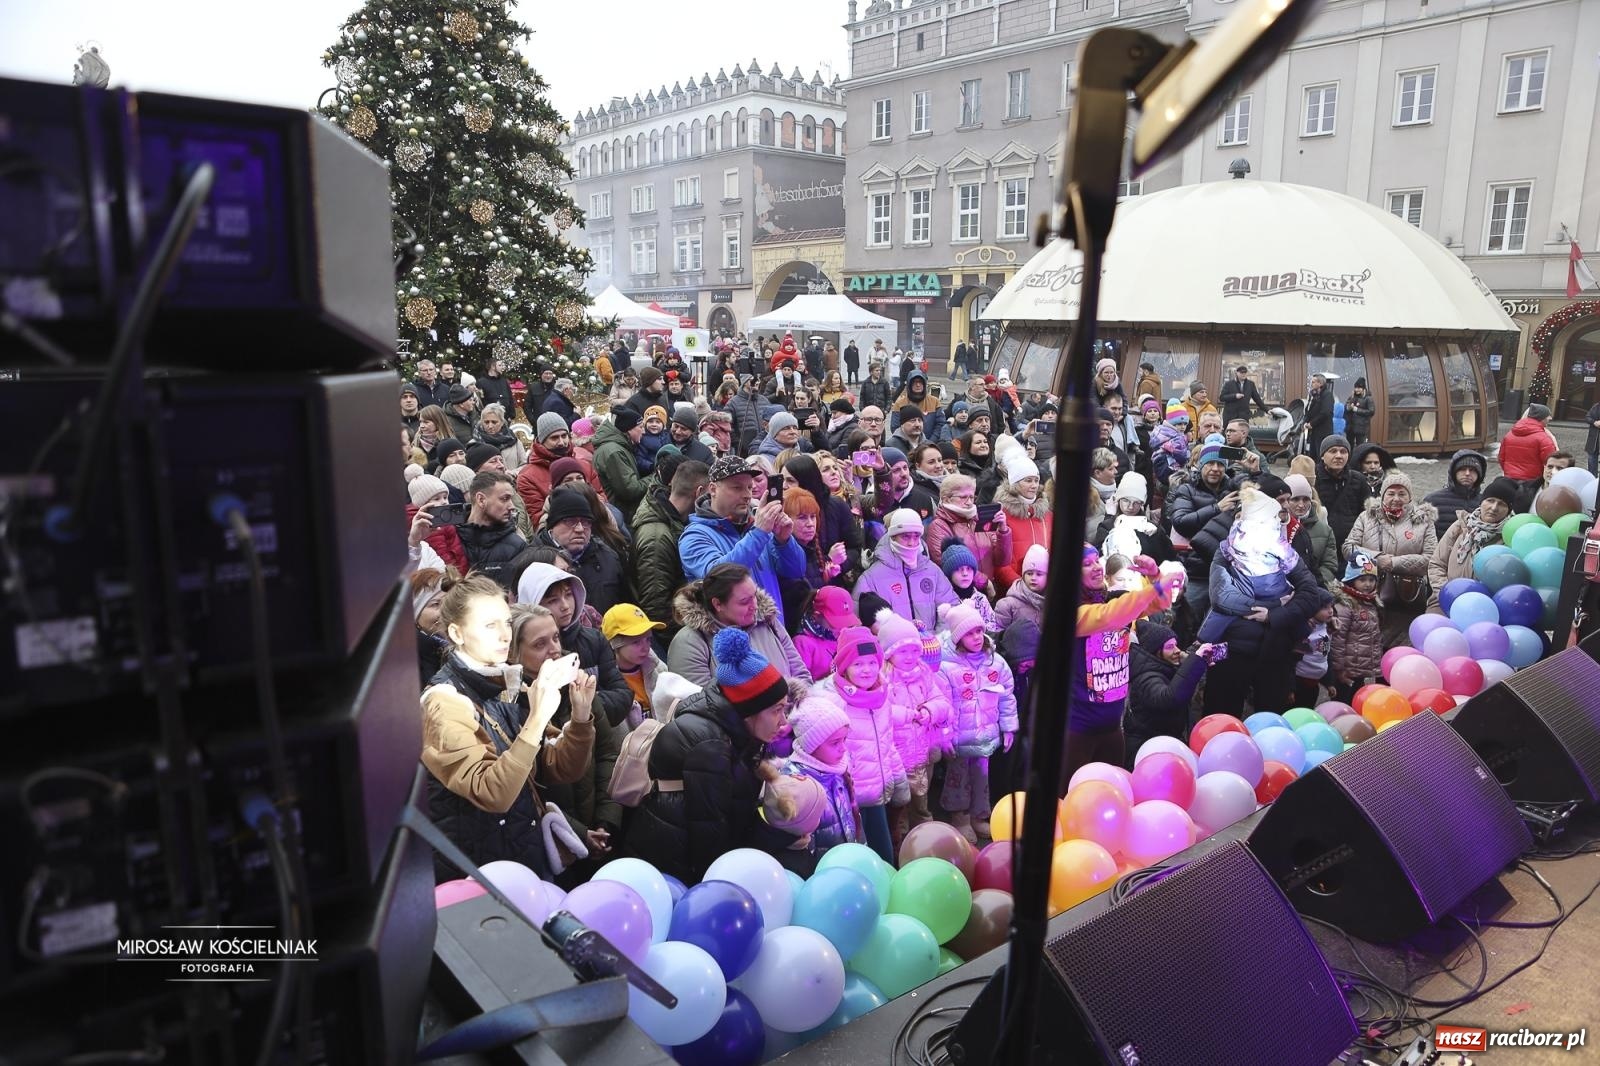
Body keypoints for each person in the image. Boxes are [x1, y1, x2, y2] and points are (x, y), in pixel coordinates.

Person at [420, 574, 597, 881]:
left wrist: (581, 719)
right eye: (490, 626)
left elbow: (560, 769)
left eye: (506, 623)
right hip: (476, 872)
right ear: (456, 633)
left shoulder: (506, 684)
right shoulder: (444, 702)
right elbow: (492, 793)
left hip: (519, 857)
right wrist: (539, 717)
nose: (505, 636)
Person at [623, 627, 799, 884]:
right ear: (749, 710)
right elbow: (711, 838)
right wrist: (780, 840)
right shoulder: (710, 746)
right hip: (673, 872)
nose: (784, 721)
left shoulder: (736, 731)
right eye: (776, 710)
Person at [509, 604, 622, 882]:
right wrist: (579, 833)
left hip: (599, 824)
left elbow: (608, 753)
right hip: (552, 843)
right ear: (514, 653)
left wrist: (606, 819)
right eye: (540, 644)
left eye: (556, 638)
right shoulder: (510, 706)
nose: (554, 649)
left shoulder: (579, 684)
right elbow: (530, 788)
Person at [1067, 549, 1181, 781]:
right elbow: (1110, 616)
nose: (1097, 566)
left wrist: (1155, 576)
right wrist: (1154, 587)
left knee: (1115, 788)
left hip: (1113, 724)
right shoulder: (1071, 612)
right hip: (1077, 727)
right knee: (1070, 796)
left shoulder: (1114, 599)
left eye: (1097, 560)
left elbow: (1161, 603)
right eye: (1086, 564)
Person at [812, 626, 905, 862]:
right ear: (844, 667)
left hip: (876, 794)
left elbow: (886, 741)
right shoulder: (830, 701)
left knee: (884, 857)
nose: (867, 670)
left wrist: (899, 779)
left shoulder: (882, 695)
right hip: (848, 799)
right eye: (858, 664)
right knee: (857, 861)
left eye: (872, 662)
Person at [680, 455, 807, 627]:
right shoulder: (694, 536)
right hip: (731, 638)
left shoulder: (756, 525)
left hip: (773, 631)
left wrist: (784, 540)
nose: (747, 495)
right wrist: (759, 533)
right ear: (713, 489)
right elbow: (718, 577)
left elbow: (796, 570)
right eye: (737, 488)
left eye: (749, 487)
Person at [515, 563, 634, 727]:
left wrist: (584, 702)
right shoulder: (516, 665)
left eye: (568, 595)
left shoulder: (594, 640)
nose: (565, 605)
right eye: (553, 600)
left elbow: (623, 694)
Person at [938, 602, 1017, 844]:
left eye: (979, 631)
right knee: (958, 777)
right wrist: (945, 735)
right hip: (960, 737)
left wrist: (1009, 727)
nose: (976, 637)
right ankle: (959, 817)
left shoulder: (996, 662)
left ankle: (979, 815)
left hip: (986, 736)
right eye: (969, 633)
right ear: (957, 636)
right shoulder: (946, 666)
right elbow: (942, 703)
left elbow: (1006, 695)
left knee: (982, 776)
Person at [668, 562, 811, 689]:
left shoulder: (768, 621)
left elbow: (800, 674)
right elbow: (699, 706)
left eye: (754, 595)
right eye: (744, 601)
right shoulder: (689, 642)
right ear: (717, 604)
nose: (754, 606)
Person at [1344, 470, 1437, 648]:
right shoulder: (1366, 517)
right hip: (1368, 591)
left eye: (1402, 493)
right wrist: (1377, 558)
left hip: (1407, 596)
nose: (1396, 498)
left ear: (1410, 497)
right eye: (1391, 493)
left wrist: (1394, 563)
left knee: (1403, 644)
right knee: (1366, 643)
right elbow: (1349, 548)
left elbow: (1431, 558)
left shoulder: (1424, 521)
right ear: (1382, 494)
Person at [631, 460, 708, 639]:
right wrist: (694, 634)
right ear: (699, 493)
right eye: (709, 495)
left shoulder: (675, 521)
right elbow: (656, 609)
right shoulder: (656, 537)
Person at [779, 698, 863, 859]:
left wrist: (860, 851)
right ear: (812, 745)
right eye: (834, 743)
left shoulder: (838, 770)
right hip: (820, 873)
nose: (843, 748)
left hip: (848, 861)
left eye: (844, 739)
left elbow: (853, 818)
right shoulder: (795, 784)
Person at [854, 508, 960, 631]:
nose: (911, 543)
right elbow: (859, 625)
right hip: (894, 647)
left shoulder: (933, 571)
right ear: (893, 537)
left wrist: (940, 640)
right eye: (905, 536)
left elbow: (951, 609)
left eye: (916, 537)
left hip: (934, 646)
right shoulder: (870, 578)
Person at [1123, 621, 1216, 760]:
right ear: (1155, 651)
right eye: (1170, 647)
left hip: (1164, 743)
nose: (1177, 650)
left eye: (1176, 645)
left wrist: (1193, 663)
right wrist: (1194, 663)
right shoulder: (1145, 677)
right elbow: (1169, 699)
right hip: (1147, 751)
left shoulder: (1165, 667)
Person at [1427, 477, 1517, 613]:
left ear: (1509, 510)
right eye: (1490, 500)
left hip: (1485, 606)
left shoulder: (1509, 537)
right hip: (1445, 599)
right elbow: (1437, 564)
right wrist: (1447, 592)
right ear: (1482, 502)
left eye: (1502, 504)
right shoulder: (1460, 526)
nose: (1494, 508)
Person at [538, 488, 629, 617]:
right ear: (553, 524)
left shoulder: (609, 557)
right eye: (570, 521)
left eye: (586, 522)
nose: (580, 529)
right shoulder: (534, 563)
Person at [1328, 552, 1383, 705]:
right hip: (1347, 670)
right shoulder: (1346, 605)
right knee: (1342, 703)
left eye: (1372, 579)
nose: (1368, 584)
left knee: (1357, 703)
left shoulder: (1371, 603)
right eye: (1362, 579)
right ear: (1352, 581)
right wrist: (1339, 669)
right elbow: (1338, 640)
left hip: (1361, 670)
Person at [457, 471, 526, 589]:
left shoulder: (517, 546)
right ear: (481, 500)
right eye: (505, 499)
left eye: (511, 499)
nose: (512, 506)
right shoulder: (452, 539)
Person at [591, 408, 651, 516]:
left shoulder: (620, 447)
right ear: (629, 429)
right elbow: (630, 490)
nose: (644, 431)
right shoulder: (614, 452)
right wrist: (656, 476)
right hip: (621, 514)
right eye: (641, 427)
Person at [793, 585, 859, 680]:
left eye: (847, 623)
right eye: (836, 623)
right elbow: (800, 684)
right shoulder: (802, 643)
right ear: (816, 616)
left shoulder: (845, 638)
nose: (841, 629)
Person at [1286, 474, 1341, 589]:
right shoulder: (1275, 528)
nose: (1301, 505)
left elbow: (1329, 565)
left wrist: (1313, 583)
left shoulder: (1325, 530)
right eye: (1295, 499)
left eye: (1306, 499)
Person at [1423, 450, 1488, 539]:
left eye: (1473, 470)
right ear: (1453, 472)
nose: (1467, 473)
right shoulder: (1432, 501)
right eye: (1462, 469)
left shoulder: (1486, 502)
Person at [1314, 434, 1365, 547]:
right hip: (1321, 543)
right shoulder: (1313, 478)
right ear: (1322, 455)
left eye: (1343, 451)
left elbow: (1366, 514)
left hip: (1351, 543)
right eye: (1333, 451)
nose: (1339, 456)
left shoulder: (1359, 479)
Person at [941, 539, 1002, 634]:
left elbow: (993, 625)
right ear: (949, 574)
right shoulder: (945, 602)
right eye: (958, 569)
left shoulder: (980, 598)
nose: (965, 574)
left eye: (969, 569)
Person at [411, 566, 457, 685]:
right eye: (435, 604)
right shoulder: (407, 659)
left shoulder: (458, 648)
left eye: (448, 603)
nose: (444, 611)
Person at [1498, 403, 1558, 483]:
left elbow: (1501, 458)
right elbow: (1551, 461)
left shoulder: (1509, 435)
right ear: (1541, 418)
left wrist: (1509, 471)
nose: (1550, 418)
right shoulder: (1544, 438)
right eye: (1548, 416)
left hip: (1510, 479)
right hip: (1532, 481)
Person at [1304, 374, 1335, 453]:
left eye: (1314, 382)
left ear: (1320, 383)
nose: (1312, 384)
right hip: (1314, 431)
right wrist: (1306, 421)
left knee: (1320, 453)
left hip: (1323, 431)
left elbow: (1326, 412)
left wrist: (1312, 423)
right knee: (1312, 454)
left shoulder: (1327, 395)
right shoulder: (1314, 396)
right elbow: (1309, 410)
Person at [1344, 379, 1375, 448]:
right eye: (1356, 388)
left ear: (1363, 388)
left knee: (1360, 447)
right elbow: (1346, 406)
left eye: (1359, 388)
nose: (1357, 390)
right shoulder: (1352, 396)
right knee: (1349, 446)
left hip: (1361, 427)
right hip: (1350, 427)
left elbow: (1371, 411)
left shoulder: (1368, 398)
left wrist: (1357, 410)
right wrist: (1349, 406)